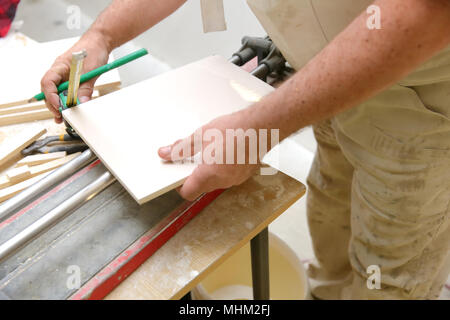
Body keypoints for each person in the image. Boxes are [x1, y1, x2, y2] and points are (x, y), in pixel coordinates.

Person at [40, 0, 450, 299]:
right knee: (332, 205)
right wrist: (101, 35)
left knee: (392, 269)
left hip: (417, 99)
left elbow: (427, 12)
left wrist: (258, 128)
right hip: (324, 73)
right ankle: (327, 292)